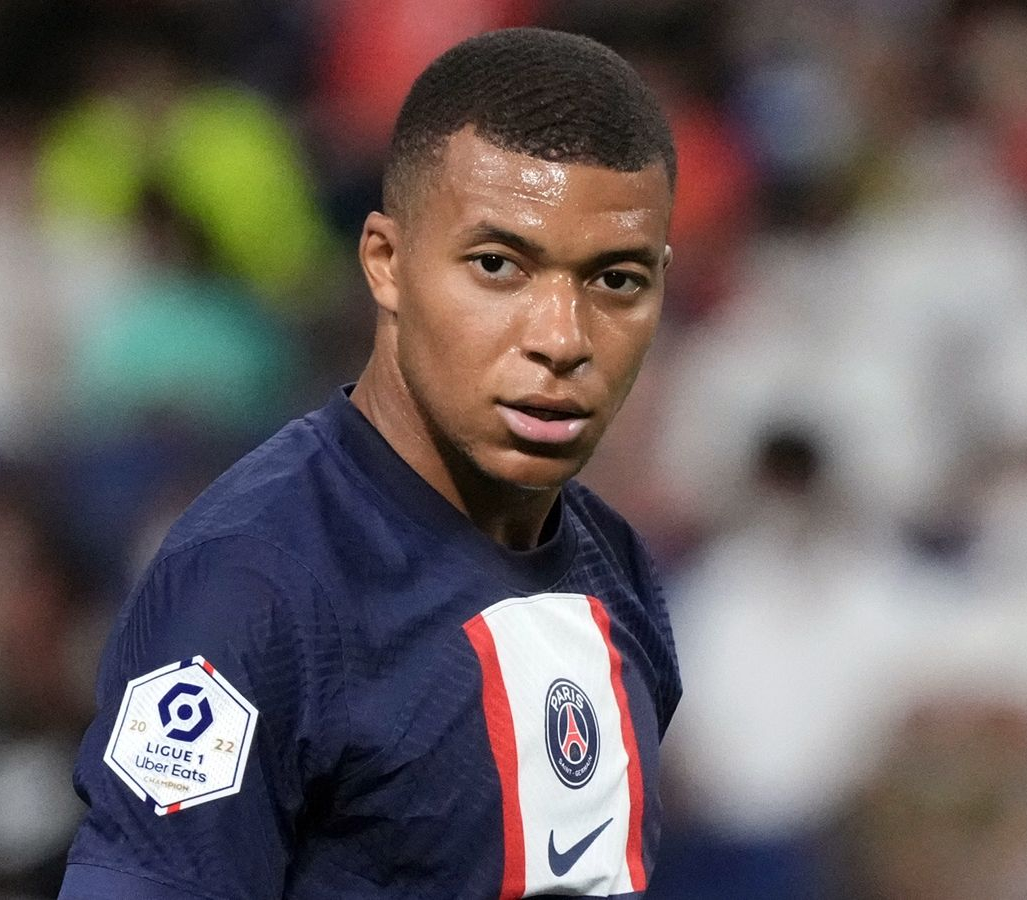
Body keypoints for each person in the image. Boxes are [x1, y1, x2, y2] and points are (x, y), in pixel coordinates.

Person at [57, 27, 682, 899]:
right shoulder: (251, 587)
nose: (562, 339)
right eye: (498, 265)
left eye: (615, 280)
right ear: (385, 263)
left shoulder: (615, 568)